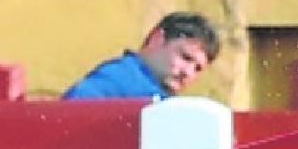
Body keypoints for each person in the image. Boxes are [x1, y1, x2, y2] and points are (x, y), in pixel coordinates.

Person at [61, 12, 219, 100]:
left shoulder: (164, 101)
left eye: (198, 69)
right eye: (185, 57)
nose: (188, 73)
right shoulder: (121, 78)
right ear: (158, 39)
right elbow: (73, 112)